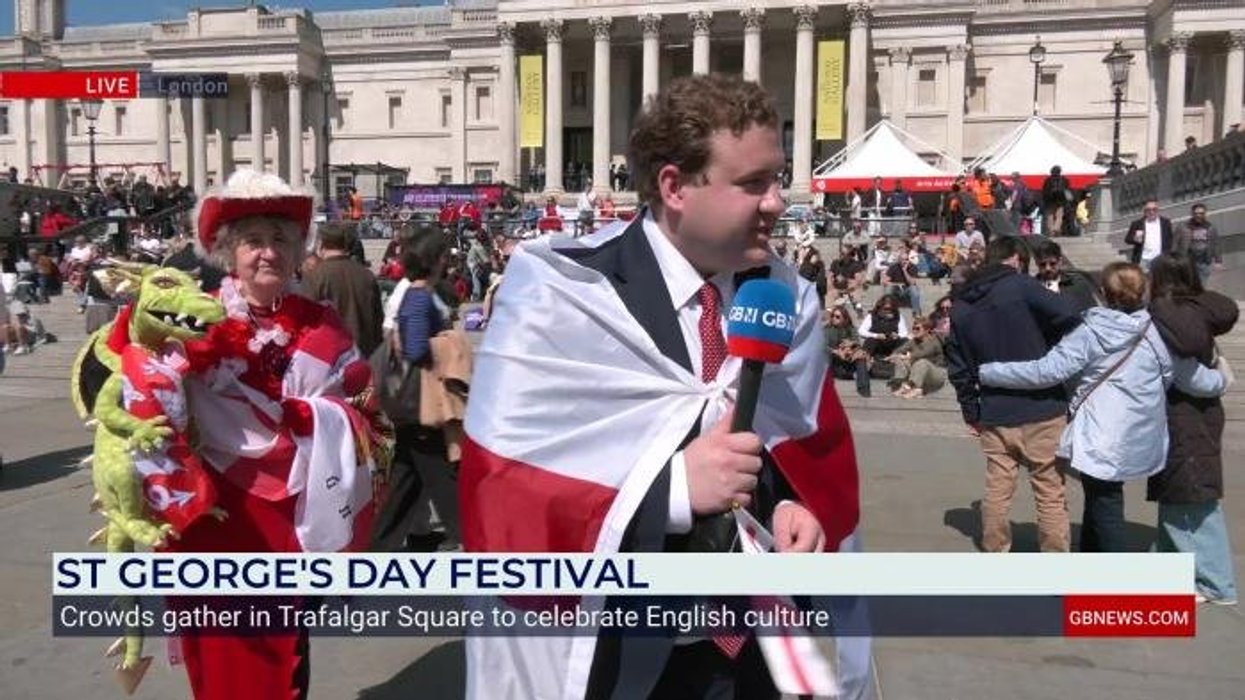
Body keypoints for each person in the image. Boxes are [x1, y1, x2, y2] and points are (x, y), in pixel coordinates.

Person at [460, 74, 870, 700]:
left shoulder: (784, 296)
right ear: (676, 187)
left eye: (777, 177)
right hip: (620, 657)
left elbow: (805, 447)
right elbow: (506, 489)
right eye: (753, 183)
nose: (778, 202)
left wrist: (792, 504)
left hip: (761, 653)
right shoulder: (561, 294)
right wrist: (675, 489)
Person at [173, 170, 391, 699]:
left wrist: (314, 418)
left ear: (299, 253)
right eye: (253, 242)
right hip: (216, 517)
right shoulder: (191, 320)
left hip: (300, 520)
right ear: (229, 253)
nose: (267, 253)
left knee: (287, 652)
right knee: (223, 651)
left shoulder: (325, 325)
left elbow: (370, 417)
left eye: (279, 241)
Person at [977, 262, 1226, 553]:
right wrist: (1221, 378)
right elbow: (1191, 376)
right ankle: (1092, 557)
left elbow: (1048, 371)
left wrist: (989, 371)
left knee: (1106, 503)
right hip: (1141, 432)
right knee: (1099, 497)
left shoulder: (1092, 330)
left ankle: (1112, 584)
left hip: (1101, 434)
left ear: (1105, 293)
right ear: (1142, 291)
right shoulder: (1159, 331)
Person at [945, 236, 1083, 553]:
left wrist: (972, 413)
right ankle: (1054, 560)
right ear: (1016, 260)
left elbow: (959, 369)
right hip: (1043, 405)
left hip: (994, 408)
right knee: (1049, 489)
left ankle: (996, 551)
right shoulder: (1021, 286)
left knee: (997, 487)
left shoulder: (962, 307)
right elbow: (1070, 313)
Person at [1147, 253, 1239, 605]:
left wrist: (1220, 378)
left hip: (1185, 418)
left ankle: (1215, 583)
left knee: (1192, 501)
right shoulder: (1195, 312)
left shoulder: (1171, 319)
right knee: (1179, 497)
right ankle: (1175, 573)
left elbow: (1189, 377)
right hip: (1195, 416)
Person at [300, 222, 384, 358]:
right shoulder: (366, 275)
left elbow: (306, 321)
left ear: (321, 244)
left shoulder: (316, 276)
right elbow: (378, 319)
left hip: (330, 358)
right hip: (364, 355)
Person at [1031, 239, 1097, 313]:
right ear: (1037, 263)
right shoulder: (1031, 287)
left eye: (1052, 264)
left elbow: (1093, 314)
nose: (1048, 268)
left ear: (1060, 261)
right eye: (1043, 264)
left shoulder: (1076, 284)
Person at [1174, 202, 1222, 283]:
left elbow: (1216, 244)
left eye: (1201, 213)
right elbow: (1175, 243)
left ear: (1205, 214)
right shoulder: (1183, 227)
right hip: (1188, 262)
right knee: (1189, 286)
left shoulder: (1211, 227)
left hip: (1204, 262)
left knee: (1202, 287)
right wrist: (1174, 260)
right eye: (1196, 213)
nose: (1198, 215)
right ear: (1192, 214)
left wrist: (1218, 261)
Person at [1124, 198, 1173, 271]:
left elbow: (1170, 239)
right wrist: (1135, 239)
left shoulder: (1165, 223)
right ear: (1144, 211)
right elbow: (1127, 239)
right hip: (1143, 259)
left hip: (1160, 259)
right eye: (1148, 210)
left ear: (1158, 210)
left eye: (1154, 209)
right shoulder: (1137, 224)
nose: (1151, 212)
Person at [1040, 165, 1071, 237]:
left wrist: (1044, 200)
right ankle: (1056, 228)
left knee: (1050, 216)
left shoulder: (1048, 180)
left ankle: (1051, 231)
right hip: (1061, 201)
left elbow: (1044, 191)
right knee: (1059, 216)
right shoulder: (1064, 180)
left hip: (1050, 201)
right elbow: (1067, 190)